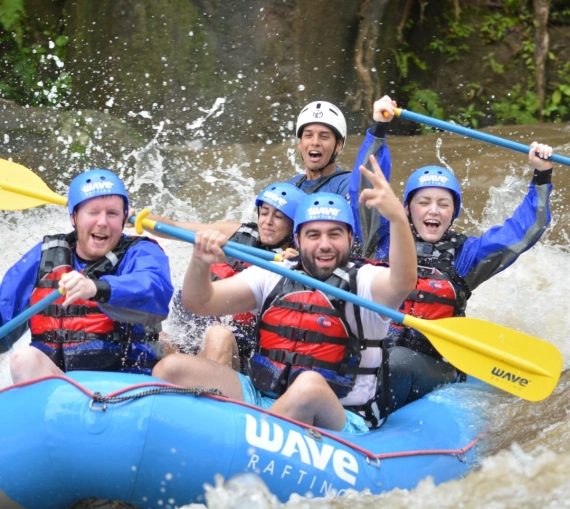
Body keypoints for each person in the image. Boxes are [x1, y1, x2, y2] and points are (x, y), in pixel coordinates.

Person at [152, 157, 417, 433]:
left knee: (309, 386)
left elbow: (403, 281)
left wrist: (398, 219)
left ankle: (237, 445)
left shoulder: (364, 282)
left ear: (350, 240)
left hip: (339, 416)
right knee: (172, 369)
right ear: (298, 239)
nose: (324, 244)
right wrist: (200, 261)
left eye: (334, 234)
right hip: (261, 399)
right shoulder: (275, 272)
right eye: (313, 235)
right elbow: (200, 302)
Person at [387, 142, 554, 412]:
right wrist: (378, 131)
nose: (433, 210)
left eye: (444, 204)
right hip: (378, 351)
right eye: (423, 202)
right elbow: (361, 194)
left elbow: (523, 231)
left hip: (433, 363)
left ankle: (362, 426)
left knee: (395, 362)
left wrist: (542, 176)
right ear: (407, 209)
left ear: (453, 213)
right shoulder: (385, 243)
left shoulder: (466, 256)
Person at [0, 169, 174, 382]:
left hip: (127, 385)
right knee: (23, 359)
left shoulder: (141, 252)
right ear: (73, 217)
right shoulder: (44, 256)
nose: (102, 222)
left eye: (112, 213)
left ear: (123, 218)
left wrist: (96, 288)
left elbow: (154, 290)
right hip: (58, 386)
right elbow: (4, 316)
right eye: (93, 212)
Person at [138, 183, 306, 372]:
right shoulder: (235, 232)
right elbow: (176, 227)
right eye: (264, 212)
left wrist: (293, 265)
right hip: (192, 336)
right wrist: (139, 219)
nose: (267, 221)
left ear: (293, 225)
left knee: (220, 336)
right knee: (157, 339)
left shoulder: (295, 262)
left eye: (278, 216)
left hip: (236, 351)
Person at [289, 97, 397, 258]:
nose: (315, 142)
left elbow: (365, 187)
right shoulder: (291, 186)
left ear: (339, 145)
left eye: (324, 137)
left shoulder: (348, 185)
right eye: (308, 136)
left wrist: (379, 127)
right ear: (300, 143)